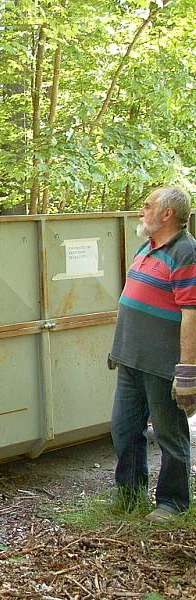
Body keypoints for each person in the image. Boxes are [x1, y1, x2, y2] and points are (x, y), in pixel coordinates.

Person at [108, 185, 195, 524]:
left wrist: (187, 369)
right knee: (124, 429)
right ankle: (130, 495)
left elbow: (192, 313)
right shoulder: (147, 247)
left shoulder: (186, 252)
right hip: (130, 359)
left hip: (162, 365)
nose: (141, 211)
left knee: (170, 434)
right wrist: (120, 348)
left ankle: (173, 503)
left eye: (147, 206)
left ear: (167, 214)